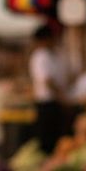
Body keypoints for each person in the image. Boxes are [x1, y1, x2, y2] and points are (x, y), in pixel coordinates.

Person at [30, 24, 64, 155]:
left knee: (52, 140)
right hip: (47, 104)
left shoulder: (53, 55)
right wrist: (63, 98)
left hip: (52, 103)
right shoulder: (41, 56)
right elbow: (47, 81)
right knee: (47, 141)